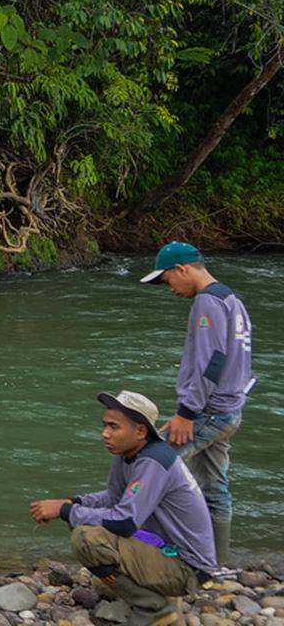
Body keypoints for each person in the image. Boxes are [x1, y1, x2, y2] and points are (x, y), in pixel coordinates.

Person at [30, 391, 216, 626]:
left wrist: (65, 510)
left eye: (113, 427)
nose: (105, 434)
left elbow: (124, 521)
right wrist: (73, 502)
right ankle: (160, 603)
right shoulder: (128, 453)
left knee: (87, 538)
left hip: (187, 568)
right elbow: (114, 497)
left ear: (140, 431)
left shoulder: (153, 461)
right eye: (105, 425)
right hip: (166, 551)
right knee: (82, 520)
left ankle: (154, 607)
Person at [140, 241, 254, 566]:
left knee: (151, 468)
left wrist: (186, 414)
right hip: (231, 408)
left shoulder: (207, 302)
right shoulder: (230, 298)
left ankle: (152, 553)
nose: (170, 288)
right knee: (214, 486)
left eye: (167, 280)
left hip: (208, 412)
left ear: (182, 269)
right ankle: (216, 564)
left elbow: (212, 362)